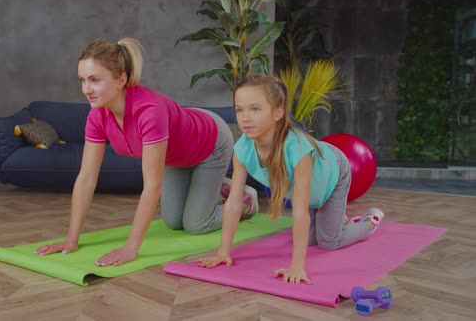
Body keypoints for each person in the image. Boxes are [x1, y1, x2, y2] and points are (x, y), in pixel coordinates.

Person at [34, 37, 258, 267]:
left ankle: (244, 199)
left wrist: (131, 248)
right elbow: (86, 177)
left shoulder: (149, 111)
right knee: (173, 221)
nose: (86, 89)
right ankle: (216, 188)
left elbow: (152, 185)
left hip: (210, 142)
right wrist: (71, 239)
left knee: (196, 224)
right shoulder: (98, 115)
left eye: (94, 80)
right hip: (177, 154)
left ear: (121, 79)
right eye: (82, 80)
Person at [198, 74, 384, 284]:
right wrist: (223, 252)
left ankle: (369, 221)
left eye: (255, 109)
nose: (245, 117)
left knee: (328, 242)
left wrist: (297, 267)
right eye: (239, 109)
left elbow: (300, 208)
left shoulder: (297, 148)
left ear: (278, 112)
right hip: (313, 191)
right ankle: (337, 219)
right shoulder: (242, 148)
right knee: (312, 240)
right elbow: (233, 201)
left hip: (334, 175)